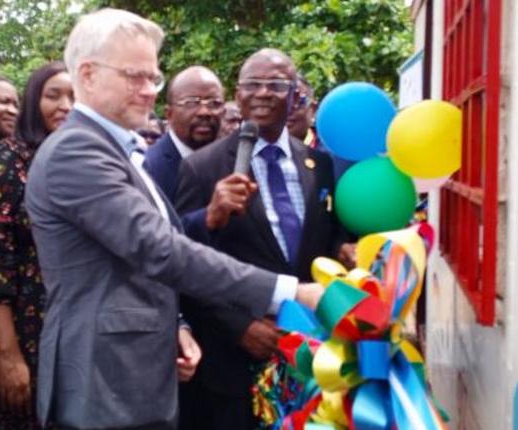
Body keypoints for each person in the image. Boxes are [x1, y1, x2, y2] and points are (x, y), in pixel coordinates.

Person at [24, 9, 323, 430]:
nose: (148, 91)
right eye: (135, 77)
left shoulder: (114, 147)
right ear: (87, 75)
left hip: (133, 371)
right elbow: (159, 248)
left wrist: (177, 323)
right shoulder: (77, 152)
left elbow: (148, 252)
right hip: (103, 379)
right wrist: (291, 293)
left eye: (153, 77)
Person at [174, 49, 353, 430]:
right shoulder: (200, 168)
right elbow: (185, 265)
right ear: (237, 97)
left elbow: (328, 233)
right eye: (252, 84)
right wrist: (239, 327)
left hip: (311, 351)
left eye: (276, 84)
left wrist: (343, 247)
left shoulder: (318, 165)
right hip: (234, 362)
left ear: (295, 95)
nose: (263, 93)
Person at [0, 62, 73, 429]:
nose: (66, 106)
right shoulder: (8, 160)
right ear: (32, 102)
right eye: (53, 95)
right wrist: (9, 355)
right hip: (30, 324)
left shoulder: (84, 158)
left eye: (75, 97)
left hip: (82, 319)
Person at [143, 65, 225, 201]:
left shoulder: (235, 161)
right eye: (191, 103)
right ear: (169, 114)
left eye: (214, 103)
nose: (204, 112)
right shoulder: (149, 168)